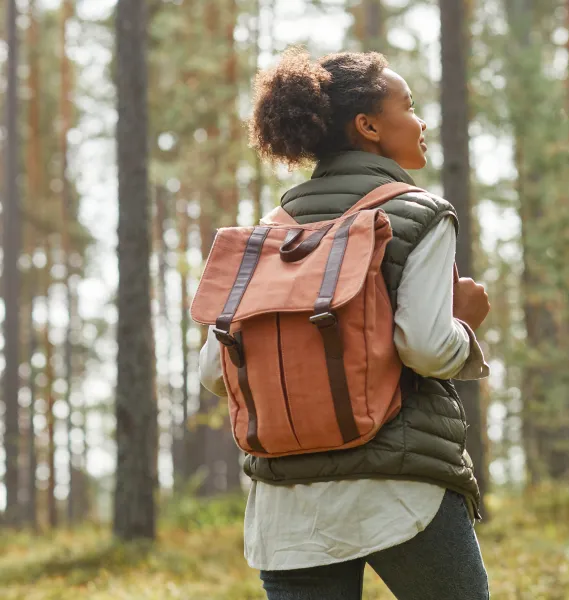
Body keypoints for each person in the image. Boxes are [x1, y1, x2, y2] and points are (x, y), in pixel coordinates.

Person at [198, 47, 491, 600]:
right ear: (369, 126)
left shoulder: (269, 233)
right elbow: (426, 348)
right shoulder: (417, 212)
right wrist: (465, 324)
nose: (421, 119)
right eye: (408, 105)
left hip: (289, 508)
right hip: (399, 492)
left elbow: (214, 371)